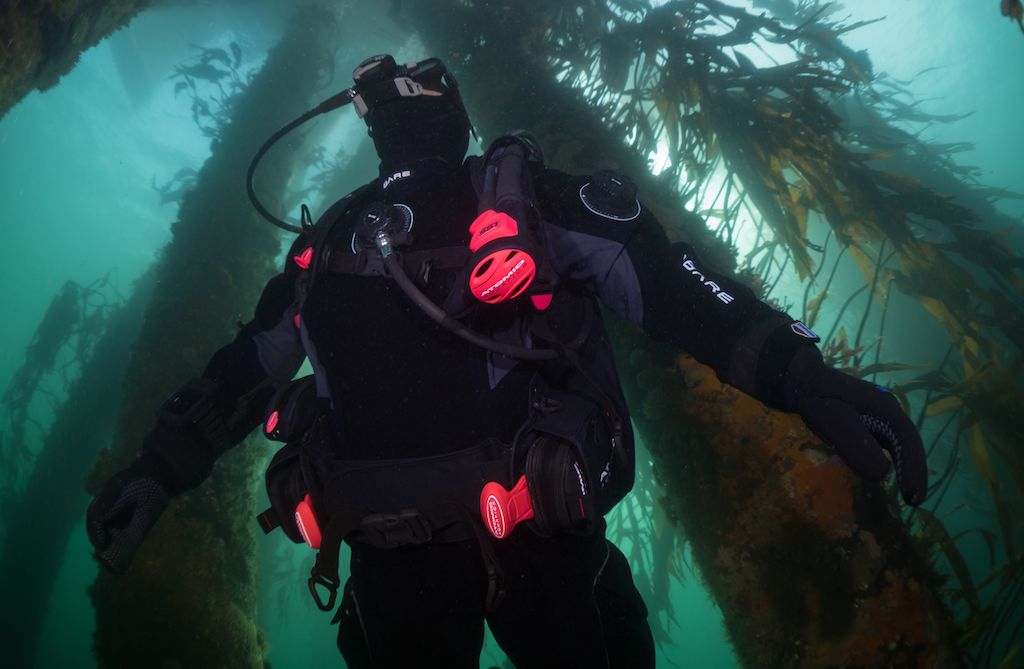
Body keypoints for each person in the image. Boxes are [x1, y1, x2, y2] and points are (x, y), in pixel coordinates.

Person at [87, 54, 928, 668]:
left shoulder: (325, 243)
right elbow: (671, 291)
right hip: (545, 554)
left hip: (388, 565)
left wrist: (157, 470)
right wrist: (802, 376)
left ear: (375, 132)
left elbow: (244, 372)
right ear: (455, 115)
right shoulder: (519, 197)